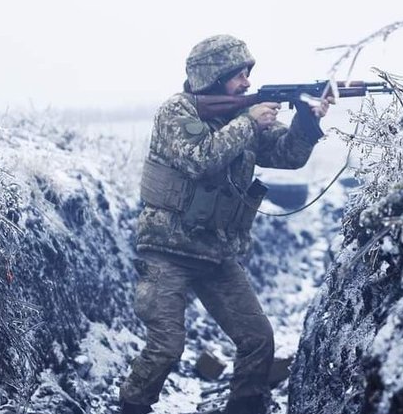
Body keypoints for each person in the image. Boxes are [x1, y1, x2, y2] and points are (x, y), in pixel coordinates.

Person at [119, 34, 330, 414]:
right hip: (167, 249)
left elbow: (288, 156)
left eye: (248, 74)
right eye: (239, 75)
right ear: (213, 76)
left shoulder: (241, 116)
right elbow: (199, 158)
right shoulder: (177, 111)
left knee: (258, 338)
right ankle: (132, 407)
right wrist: (249, 122)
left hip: (215, 252)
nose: (247, 82)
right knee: (166, 347)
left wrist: (307, 120)